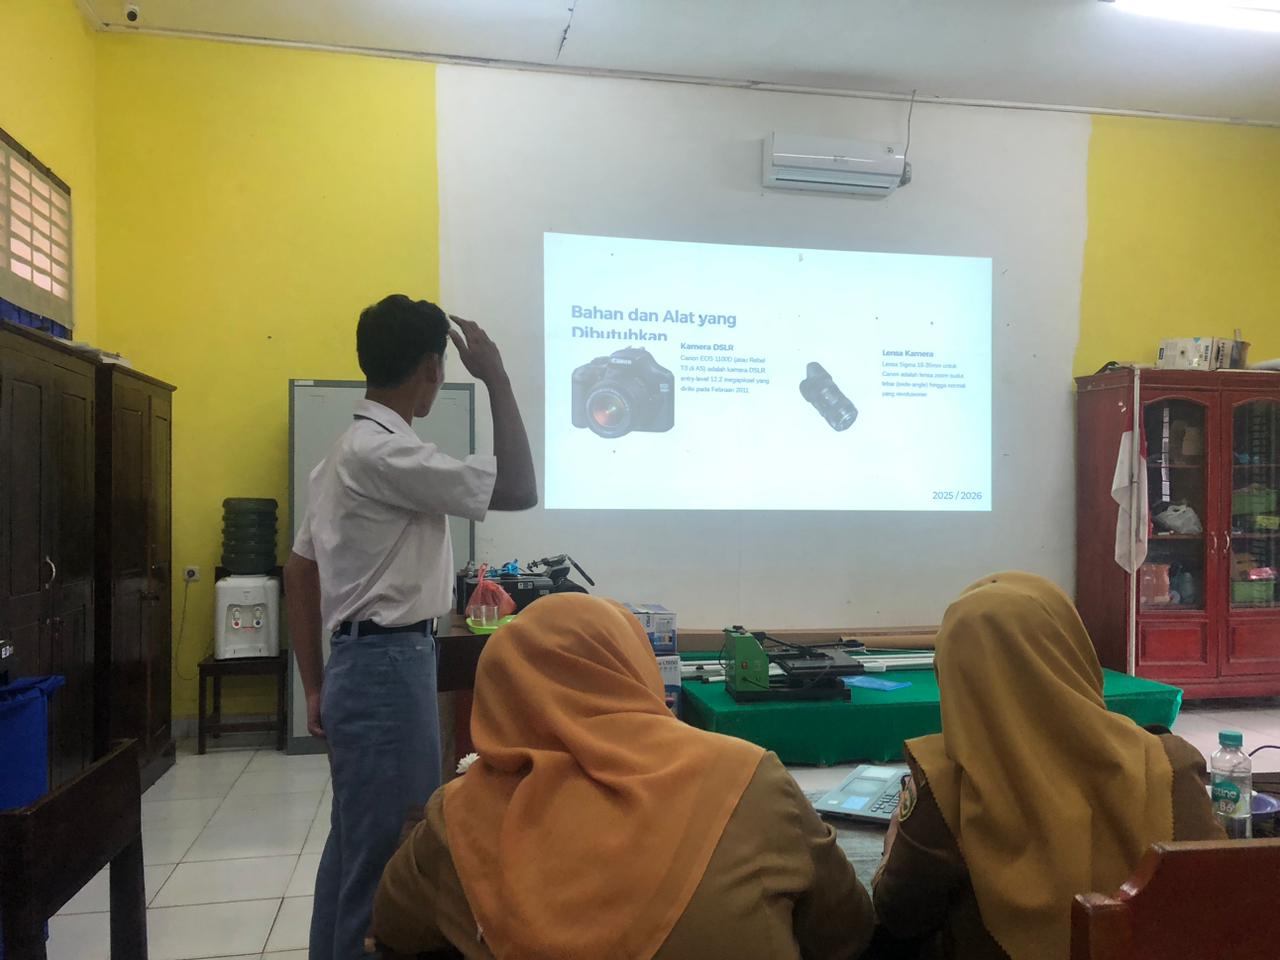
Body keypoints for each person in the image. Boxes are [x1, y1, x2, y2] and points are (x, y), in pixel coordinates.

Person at [372, 593, 875, 960]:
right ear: (634, 667)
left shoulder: (456, 819)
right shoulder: (747, 775)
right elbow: (848, 932)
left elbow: (391, 929)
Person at [284, 295, 537, 960]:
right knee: (389, 863)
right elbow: (520, 487)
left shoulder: (343, 453)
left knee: (352, 852)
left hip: (359, 666)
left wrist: (314, 683)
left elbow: (298, 571)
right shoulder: (386, 455)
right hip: (388, 671)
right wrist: (497, 377)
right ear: (430, 367)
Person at [871, 572, 1224, 960]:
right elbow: (1220, 896)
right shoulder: (1170, 764)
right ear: (1074, 651)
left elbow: (898, 915)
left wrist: (894, 841)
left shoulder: (946, 788)